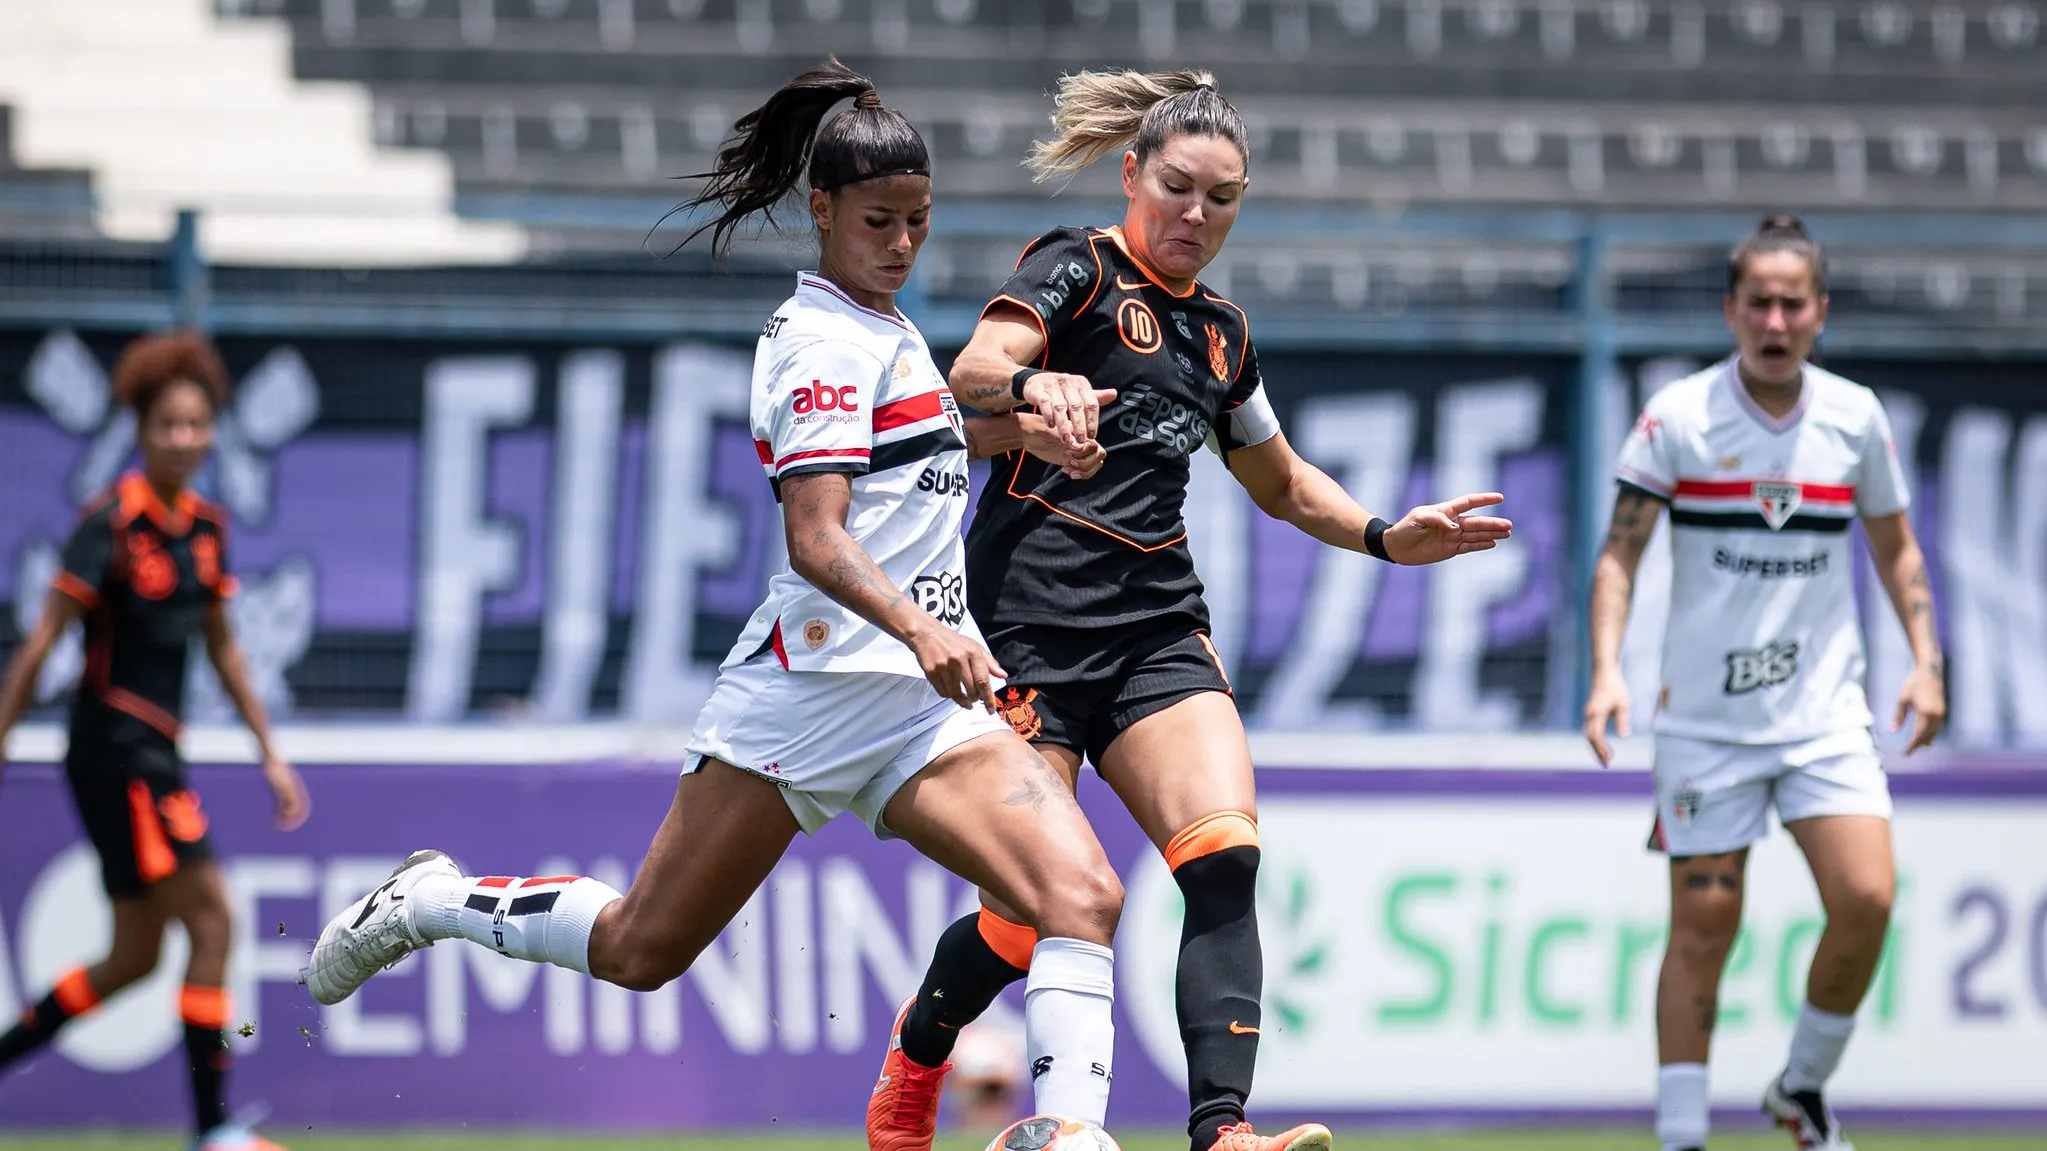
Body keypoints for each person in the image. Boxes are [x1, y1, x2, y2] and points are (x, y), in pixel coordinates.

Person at [299, 60, 1129, 1141]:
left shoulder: (887, 330)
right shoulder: (820, 344)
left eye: (919, 220)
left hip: (924, 714)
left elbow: (919, 444)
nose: (902, 241)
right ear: (821, 209)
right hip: (811, 692)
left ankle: (1065, 1134)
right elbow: (816, 535)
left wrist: (1022, 433)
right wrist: (925, 626)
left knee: (1082, 895)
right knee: (643, 947)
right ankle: (432, 899)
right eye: (879, 219)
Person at [868, 69, 1514, 1151]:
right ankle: (919, 1051)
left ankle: (1221, 1129)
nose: (1194, 217)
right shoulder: (1071, 268)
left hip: (1157, 629)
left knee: (1223, 856)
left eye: (1222, 200)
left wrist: (1384, 536)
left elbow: (1281, 478)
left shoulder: (1221, 333)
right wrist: (1033, 390)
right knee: (1029, 914)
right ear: (1131, 173)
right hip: (1025, 627)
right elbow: (973, 371)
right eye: (1176, 188)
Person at [1582, 215, 1947, 1151]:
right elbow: (1618, 555)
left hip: (1825, 714)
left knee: (1866, 898)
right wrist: (1604, 672)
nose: (1775, 320)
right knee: (1703, 927)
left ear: (1819, 312)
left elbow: (1897, 545)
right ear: (1730, 310)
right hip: (1704, 723)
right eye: (1759, 303)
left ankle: (1801, 1087)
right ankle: (1679, 1138)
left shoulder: (1853, 418)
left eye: (1793, 303)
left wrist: (1926, 663)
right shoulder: (1678, 416)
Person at [0, 330, 311, 1151]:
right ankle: (214, 1133)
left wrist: (269, 752)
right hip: (114, 748)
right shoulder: (107, 524)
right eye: (169, 424)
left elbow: (223, 645)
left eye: (198, 424)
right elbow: (43, 641)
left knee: (133, 956)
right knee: (214, 920)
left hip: (153, 751)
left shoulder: (206, 528)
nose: (185, 439)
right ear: (140, 431)